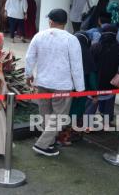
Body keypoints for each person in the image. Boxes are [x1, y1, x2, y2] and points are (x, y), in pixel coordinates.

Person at [26, 9, 85, 156]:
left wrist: (28, 75)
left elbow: (30, 57)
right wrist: (80, 88)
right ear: (65, 23)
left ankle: (49, 143)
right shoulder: (71, 39)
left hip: (43, 82)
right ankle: (43, 144)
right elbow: (76, 65)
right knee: (59, 116)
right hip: (62, 84)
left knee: (45, 113)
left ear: (51, 21)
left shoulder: (39, 36)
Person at [58, 31, 97, 145]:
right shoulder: (87, 55)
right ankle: (68, 138)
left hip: (63, 89)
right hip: (80, 92)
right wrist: (94, 94)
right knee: (75, 112)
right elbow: (92, 77)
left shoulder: (66, 52)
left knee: (62, 112)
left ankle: (59, 137)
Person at [85, 25, 119, 130]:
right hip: (111, 82)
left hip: (96, 81)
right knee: (109, 103)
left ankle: (87, 125)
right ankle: (107, 124)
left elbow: (90, 64)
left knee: (92, 103)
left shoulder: (96, 46)